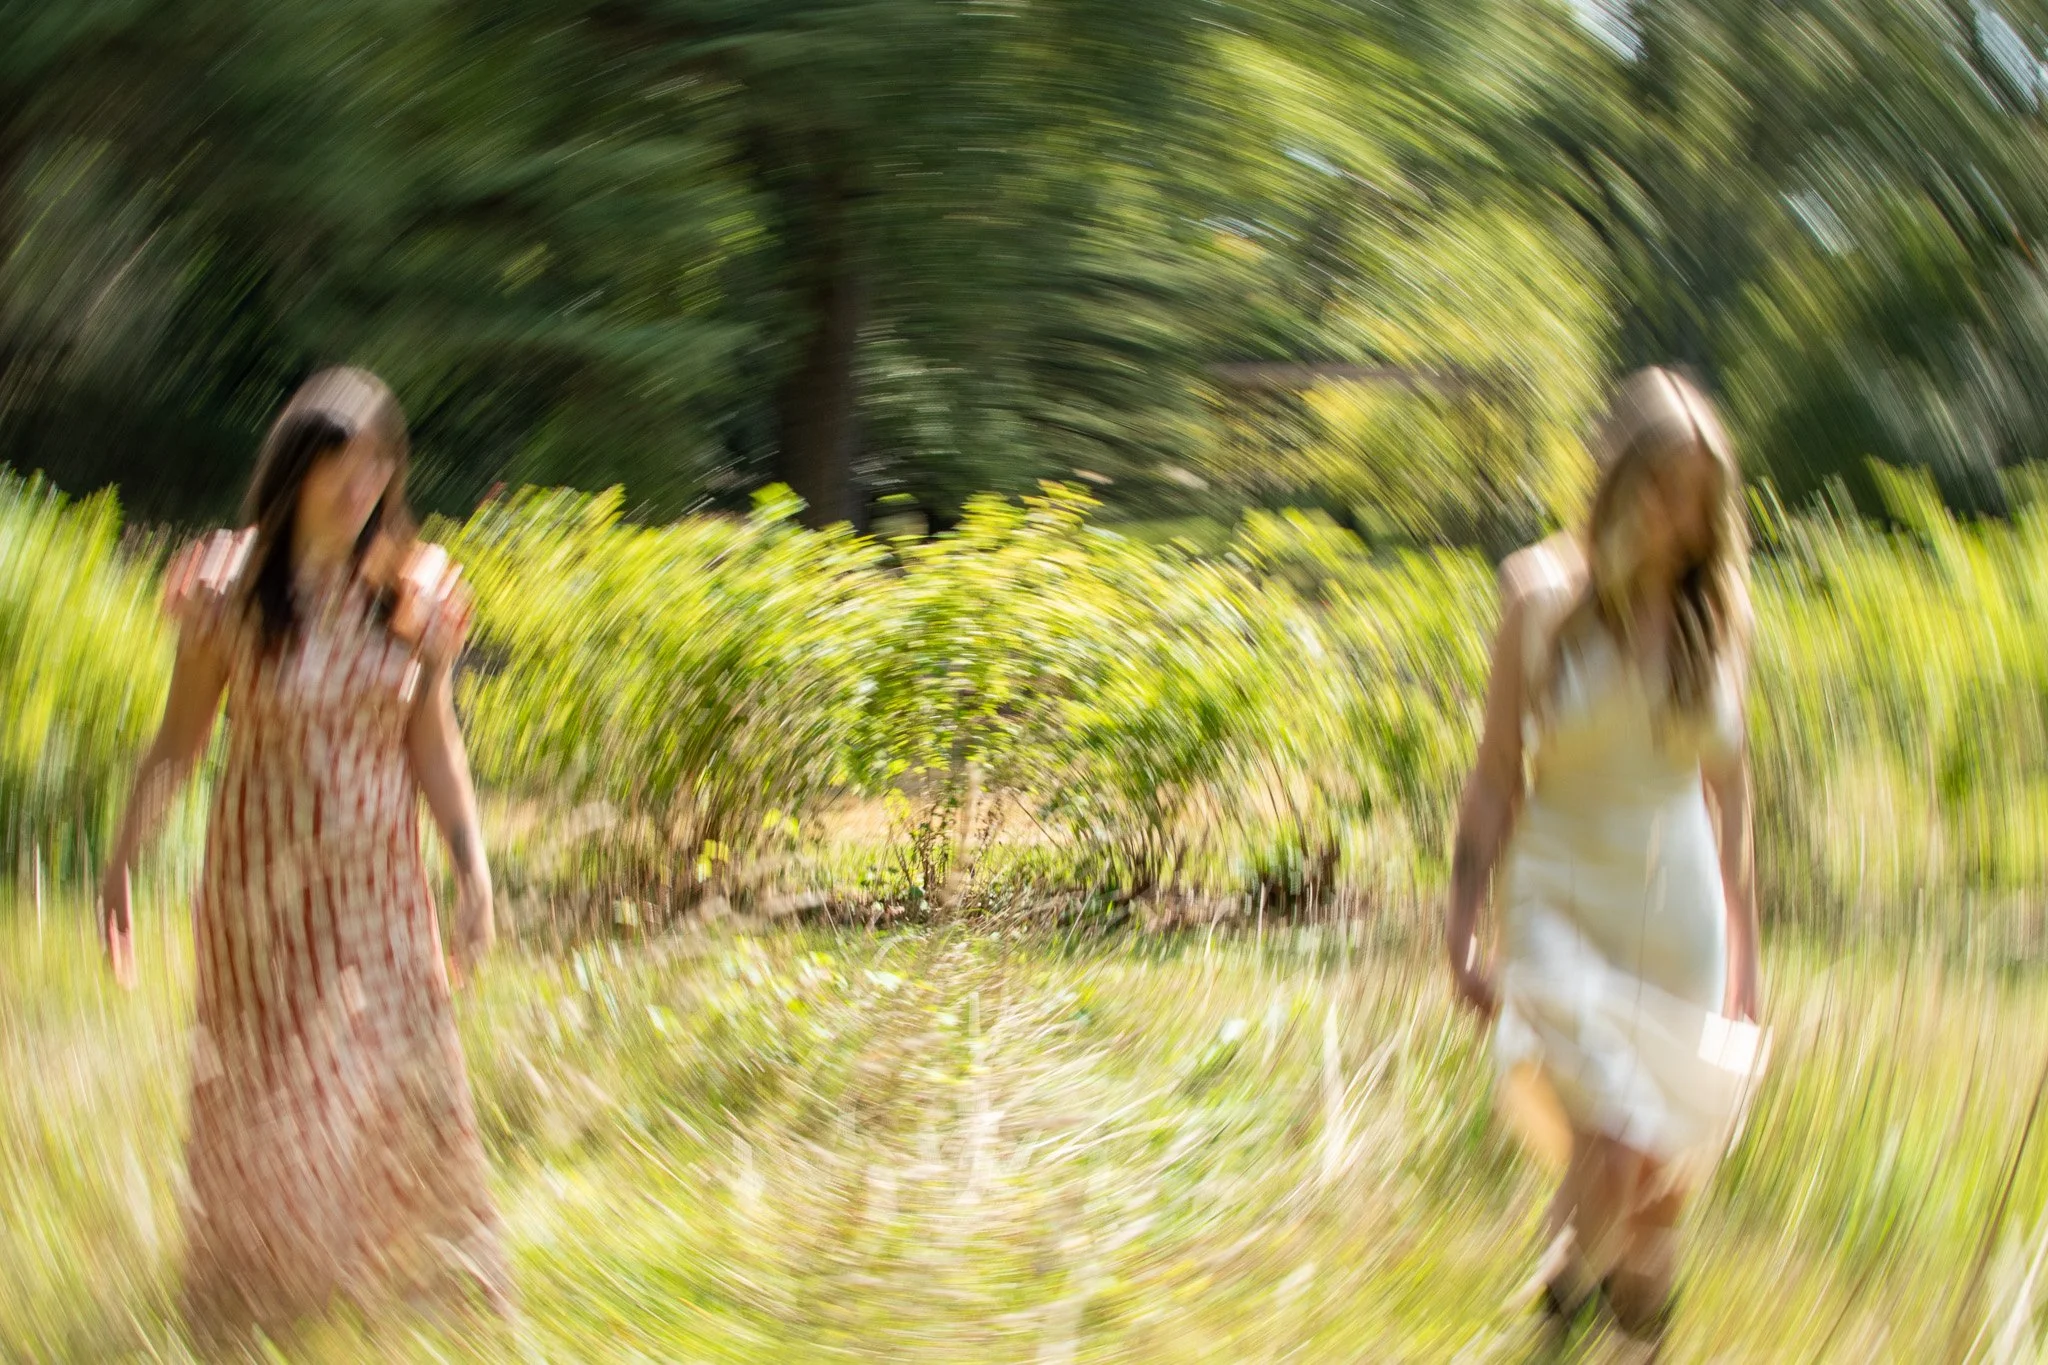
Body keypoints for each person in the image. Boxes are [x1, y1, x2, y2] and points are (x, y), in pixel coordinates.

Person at [99, 367, 512, 1344]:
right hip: (261, 897)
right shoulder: (227, 596)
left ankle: (430, 1292)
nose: (361, 480)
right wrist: (121, 860)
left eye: (378, 460)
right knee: (267, 1093)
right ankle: (261, 1299)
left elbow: (433, 743)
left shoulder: (413, 593)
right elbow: (178, 744)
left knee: (413, 1081)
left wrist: (472, 869)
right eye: (339, 459)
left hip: (380, 891)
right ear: (295, 467)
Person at [1444, 366, 1765, 1346]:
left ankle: (1602, 1316)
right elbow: (1495, 776)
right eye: (1660, 489)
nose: (1675, 519)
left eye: (1696, 501)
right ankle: (1556, 1319)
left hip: (1677, 919)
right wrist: (1458, 924)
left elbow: (1731, 798)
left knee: (1656, 1191)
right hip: (1558, 901)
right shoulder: (1535, 598)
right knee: (1618, 1141)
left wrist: (1748, 963)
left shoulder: (1717, 619)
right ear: (1615, 478)